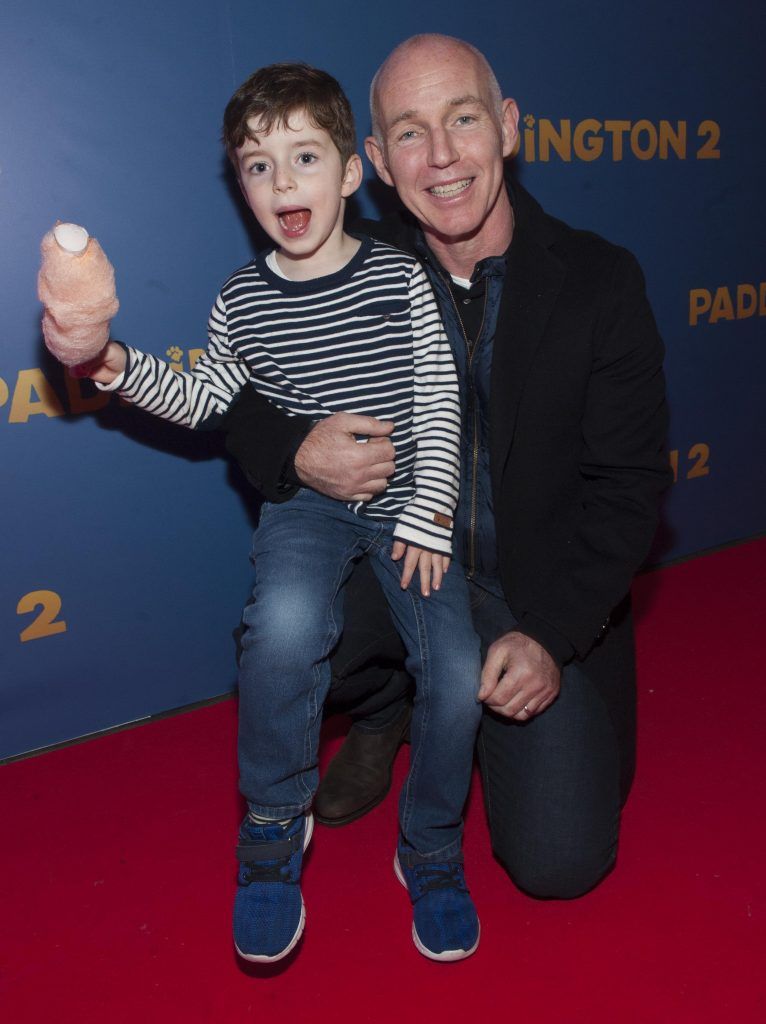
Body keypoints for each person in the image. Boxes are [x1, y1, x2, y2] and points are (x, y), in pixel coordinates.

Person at [224, 34, 670, 902]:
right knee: (282, 624)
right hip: (391, 559)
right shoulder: (350, 268)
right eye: (410, 133)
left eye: (462, 120)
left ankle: (474, 688)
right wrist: (293, 448)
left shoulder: (599, 281)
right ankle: (387, 704)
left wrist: (553, 636)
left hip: (531, 594)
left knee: (560, 865)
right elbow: (236, 388)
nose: (441, 158)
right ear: (378, 163)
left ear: (505, 127)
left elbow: (630, 488)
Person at [76, 63, 484, 964]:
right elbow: (205, 400)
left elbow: (439, 396)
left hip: (409, 504)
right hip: (305, 506)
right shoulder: (241, 300)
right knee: (282, 629)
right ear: (240, 183)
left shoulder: (399, 276)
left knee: (456, 670)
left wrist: (427, 510)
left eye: (304, 157)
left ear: (349, 173)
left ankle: (433, 852)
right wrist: (110, 367)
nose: (283, 182)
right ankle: (270, 832)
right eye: (258, 166)